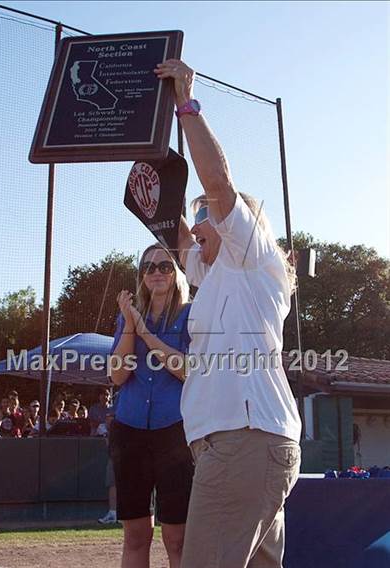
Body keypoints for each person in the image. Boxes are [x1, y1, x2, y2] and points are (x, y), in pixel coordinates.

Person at [155, 60, 302, 568]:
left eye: (207, 218)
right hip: (249, 448)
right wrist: (142, 150)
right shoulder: (212, 273)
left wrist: (185, 105)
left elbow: (217, 183)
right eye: (196, 220)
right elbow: (170, 230)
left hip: (244, 445)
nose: (198, 226)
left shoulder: (250, 256)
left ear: (242, 223)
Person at [109, 243, 194, 568]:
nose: (157, 272)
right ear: (141, 276)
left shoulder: (190, 314)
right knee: (135, 536)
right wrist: (131, 326)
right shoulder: (128, 316)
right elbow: (118, 376)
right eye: (149, 267)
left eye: (165, 265)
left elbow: (187, 371)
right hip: (129, 432)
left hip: (174, 434)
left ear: (176, 274)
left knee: (177, 538)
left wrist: (147, 334)